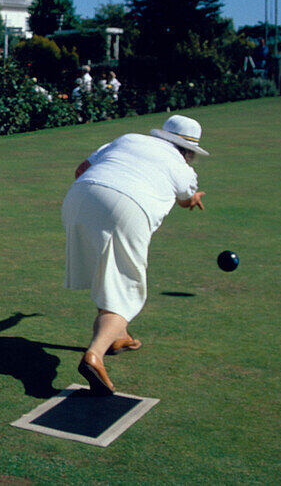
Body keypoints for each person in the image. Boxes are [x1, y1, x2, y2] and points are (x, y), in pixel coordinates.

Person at [62, 115, 208, 396]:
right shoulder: (183, 169)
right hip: (126, 209)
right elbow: (185, 199)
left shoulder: (128, 138)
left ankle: (119, 336)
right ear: (189, 152)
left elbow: (81, 169)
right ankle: (95, 354)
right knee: (126, 291)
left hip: (78, 198)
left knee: (110, 277)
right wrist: (194, 199)